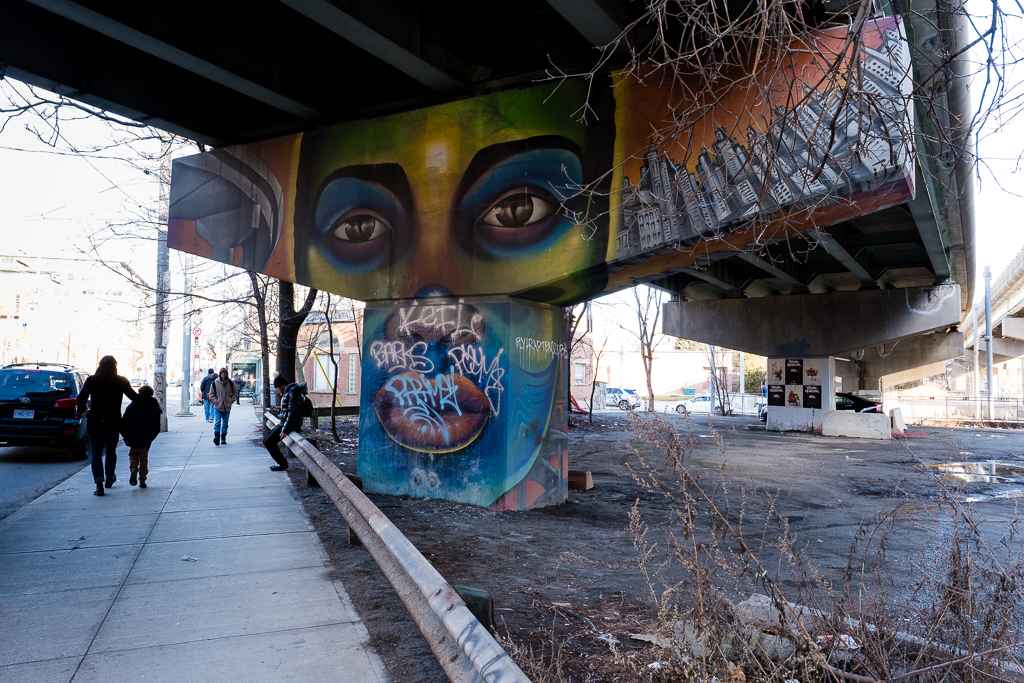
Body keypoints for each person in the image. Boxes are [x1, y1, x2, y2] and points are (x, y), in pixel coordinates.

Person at [77, 355, 139, 496]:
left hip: (95, 422)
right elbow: (134, 397)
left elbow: (81, 398)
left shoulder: (92, 380)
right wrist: (150, 402)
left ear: (100, 365)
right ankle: (110, 477)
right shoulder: (121, 381)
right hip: (113, 422)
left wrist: (83, 411)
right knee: (111, 451)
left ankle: (99, 484)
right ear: (115, 366)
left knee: (96, 454)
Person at [263, 376, 308, 471]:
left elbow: (292, 414)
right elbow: (288, 411)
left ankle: (282, 463)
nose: (277, 391)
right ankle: (281, 462)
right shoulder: (289, 392)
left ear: (281, 386)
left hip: (290, 425)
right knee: (266, 440)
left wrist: (285, 430)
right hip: (285, 423)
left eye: (277, 388)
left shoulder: (293, 393)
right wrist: (279, 410)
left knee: (268, 441)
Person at [121, 385, 162, 488]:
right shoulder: (154, 406)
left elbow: (125, 420)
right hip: (147, 434)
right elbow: (157, 425)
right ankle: (142, 480)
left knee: (133, 454)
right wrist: (152, 435)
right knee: (144, 457)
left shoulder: (134, 404)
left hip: (134, 433)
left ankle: (134, 469)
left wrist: (125, 433)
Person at [209, 367, 237, 445]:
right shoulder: (215, 383)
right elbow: (211, 394)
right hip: (218, 406)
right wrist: (216, 402)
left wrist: (231, 401)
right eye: (222, 373)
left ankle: (223, 436)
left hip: (227, 406)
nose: (223, 374)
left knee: (225, 423)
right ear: (220, 374)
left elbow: (235, 392)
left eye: (225, 373)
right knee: (217, 422)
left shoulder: (231, 383)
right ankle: (217, 436)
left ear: (226, 374)